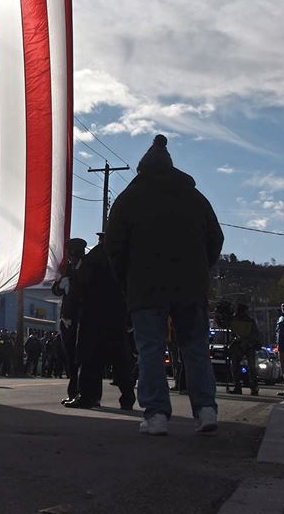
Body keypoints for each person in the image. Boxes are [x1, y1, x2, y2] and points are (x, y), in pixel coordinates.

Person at [106, 135, 224, 436]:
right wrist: (200, 270)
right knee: (195, 347)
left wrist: (125, 280)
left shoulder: (129, 199)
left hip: (145, 287)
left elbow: (114, 247)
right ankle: (206, 409)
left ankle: (157, 414)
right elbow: (216, 238)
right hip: (190, 287)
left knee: (150, 350)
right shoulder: (195, 198)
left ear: (142, 168)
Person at [68, 235, 135, 410]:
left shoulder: (91, 260)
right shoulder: (122, 260)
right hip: (116, 316)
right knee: (120, 359)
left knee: (90, 359)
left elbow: (80, 288)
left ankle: (88, 397)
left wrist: (72, 306)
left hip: (93, 317)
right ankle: (127, 397)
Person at [52, 238, 85, 404]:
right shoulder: (68, 270)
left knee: (81, 358)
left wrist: (72, 284)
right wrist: (61, 286)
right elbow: (55, 290)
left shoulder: (85, 269)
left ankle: (83, 393)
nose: (70, 258)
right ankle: (73, 393)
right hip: (67, 320)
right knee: (70, 358)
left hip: (80, 320)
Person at [228, 302, 261, 396]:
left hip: (248, 345)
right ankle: (240, 387)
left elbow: (255, 334)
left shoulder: (249, 320)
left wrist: (248, 341)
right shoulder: (234, 319)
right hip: (238, 345)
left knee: (250, 368)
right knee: (236, 367)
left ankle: (252, 388)